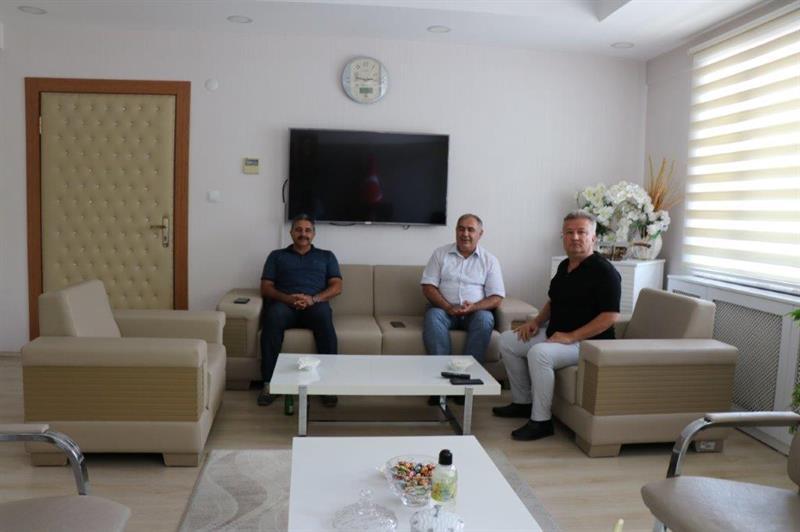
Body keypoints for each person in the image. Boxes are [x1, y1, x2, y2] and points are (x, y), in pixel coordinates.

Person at [493, 210, 621, 441]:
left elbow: (610, 317)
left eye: (581, 232)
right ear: (562, 237)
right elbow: (553, 301)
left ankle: (541, 421)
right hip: (558, 337)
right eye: (569, 232)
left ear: (593, 237)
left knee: (539, 353)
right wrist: (535, 322)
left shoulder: (605, 272)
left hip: (589, 344)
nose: (575, 237)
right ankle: (523, 402)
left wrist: (572, 336)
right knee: (507, 340)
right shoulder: (564, 266)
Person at [258, 214, 342, 407]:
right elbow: (266, 288)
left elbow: (337, 286)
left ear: (313, 234)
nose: (303, 234)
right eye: (298, 230)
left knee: (324, 316)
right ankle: (269, 384)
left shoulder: (327, 256)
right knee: (272, 316)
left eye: (307, 230)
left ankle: (328, 385)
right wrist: (289, 298)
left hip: (315, 305)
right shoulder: (276, 256)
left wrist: (313, 299)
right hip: (285, 305)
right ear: (291, 232)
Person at [421, 213, 505, 369]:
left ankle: (467, 373)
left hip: (475, 313)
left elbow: (497, 297)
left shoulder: (490, 260)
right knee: (433, 316)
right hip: (444, 311)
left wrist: (474, 307)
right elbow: (428, 286)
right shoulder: (440, 254)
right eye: (461, 229)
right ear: (456, 231)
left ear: (480, 234)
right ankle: (441, 373)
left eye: (470, 230)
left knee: (485, 319)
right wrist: (448, 307)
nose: (465, 234)